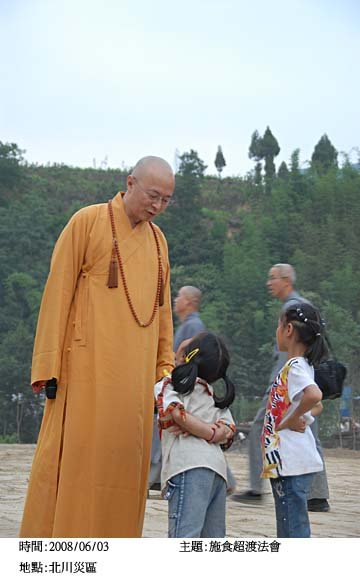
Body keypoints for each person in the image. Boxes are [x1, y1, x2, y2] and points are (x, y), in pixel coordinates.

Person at [20, 156, 175, 537]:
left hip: (134, 384)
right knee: (75, 469)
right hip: (86, 373)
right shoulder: (88, 221)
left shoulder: (158, 243)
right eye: (152, 195)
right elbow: (57, 293)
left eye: (166, 200)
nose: (157, 206)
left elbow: (163, 313)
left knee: (121, 474)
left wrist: (165, 373)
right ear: (130, 183)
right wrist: (46, 367)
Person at [231, 263, 330, 511]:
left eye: (272, 278)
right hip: (300, 377)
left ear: (286, 280)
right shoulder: (302, 305)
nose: (269, 283)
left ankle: (260, 486)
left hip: (285, 382)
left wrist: (276, 388)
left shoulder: (292, 310)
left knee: (261, 426)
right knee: (307, 427)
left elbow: (287, 359)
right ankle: (317, 494)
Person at [155, 332, 236, 537]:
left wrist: (201, 430)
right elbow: (228, 429)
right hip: (217, 471)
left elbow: (176, 412)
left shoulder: (169, 385)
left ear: (185, 357)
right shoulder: (213, 396)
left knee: (185, 537)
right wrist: (212, 432)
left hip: (188, 468)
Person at [262, 301, 327, 537]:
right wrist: (298, 414)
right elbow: (316, 405)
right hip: (289, 461)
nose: (277, 331)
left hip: (289, 462)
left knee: (292, 529)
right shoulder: (304, 366)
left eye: (279, 326)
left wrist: (291, 419)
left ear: (288, 329)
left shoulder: (295, 366)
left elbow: (314, 396)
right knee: (293, 525)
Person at [148, 285, 205, 490]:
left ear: (189, 301)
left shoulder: (194, 326)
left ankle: (152, 478)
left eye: (179, 296)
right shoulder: (184, 325)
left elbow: (193, 359)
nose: (175, 300)